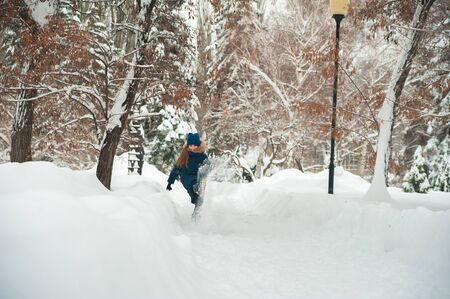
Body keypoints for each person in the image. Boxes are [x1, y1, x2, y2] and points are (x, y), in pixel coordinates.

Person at [166, 133, 208, 205]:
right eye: (191, 145)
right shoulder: (185, 155)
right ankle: (196, 194)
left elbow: (207, 166)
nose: (192, 147)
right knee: (191, 186)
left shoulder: (202, 156)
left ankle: (199, 198)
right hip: (185, 176)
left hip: (197, 176)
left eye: (194, 145)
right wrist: (170, 182)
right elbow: (176, 169)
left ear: (198, 145)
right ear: (188, 145)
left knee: (199, 180)